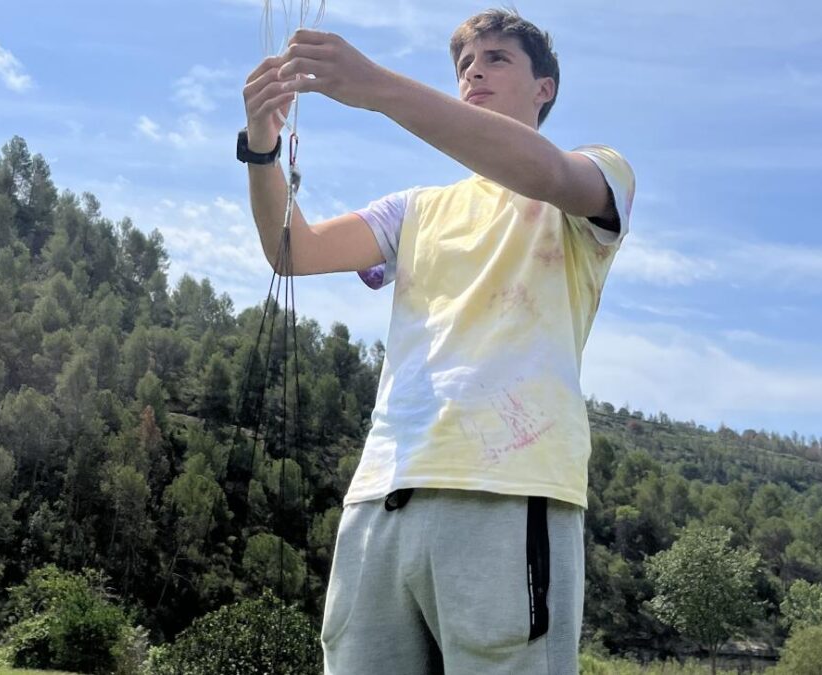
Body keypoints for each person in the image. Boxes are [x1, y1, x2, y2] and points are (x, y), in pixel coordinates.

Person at [241, 8, 634, 674]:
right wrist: (260, 145)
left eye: (497, 59)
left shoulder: (597, 175)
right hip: (379, 501)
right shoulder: (416, 208)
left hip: (508, 493)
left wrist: (376, 87)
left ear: (546, 88)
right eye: (464, 65)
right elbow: (294, 250)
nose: (474, 70)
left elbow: (547, 174)